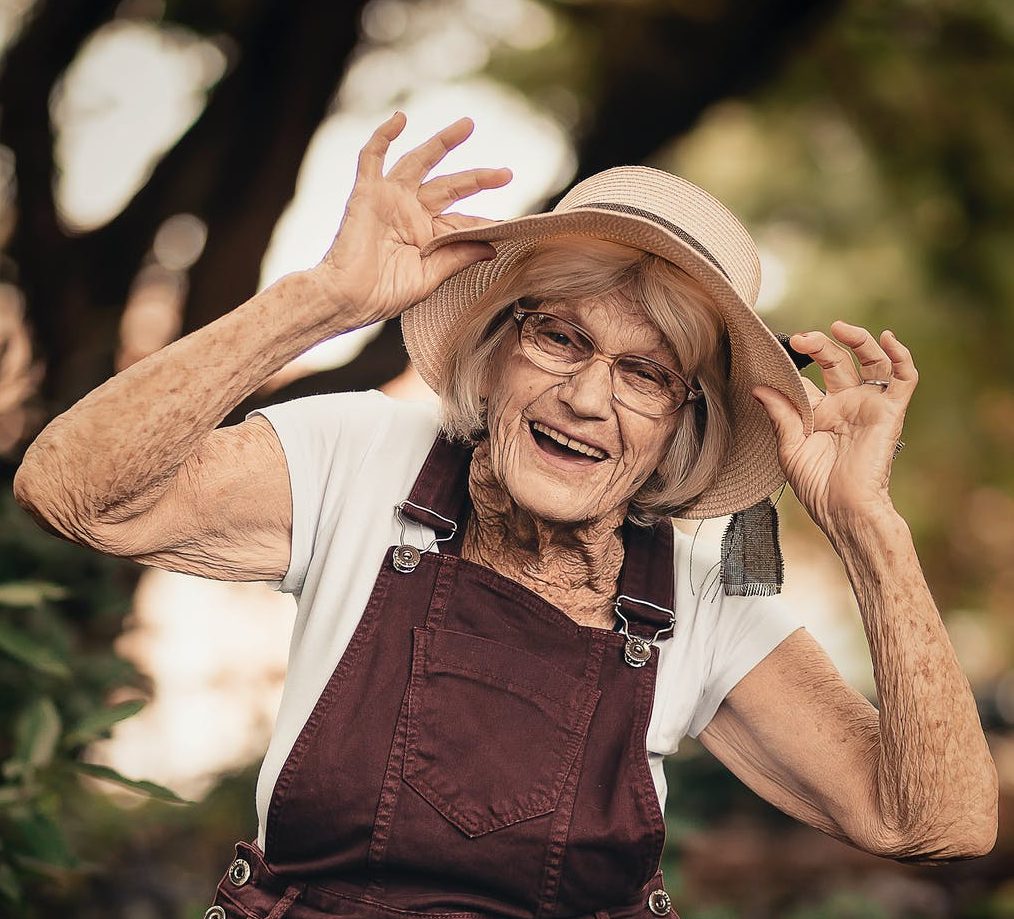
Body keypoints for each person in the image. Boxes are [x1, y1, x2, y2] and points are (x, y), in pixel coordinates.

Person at [14, 113, 997, 919]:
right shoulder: (361, 458)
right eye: (560, 337)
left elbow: (939, 822)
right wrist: (321, 299)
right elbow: (67, 489)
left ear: (683, 425)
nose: (585, 398)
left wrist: (868, 525)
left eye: (646, 374)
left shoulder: (705, 604)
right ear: (496, 348)